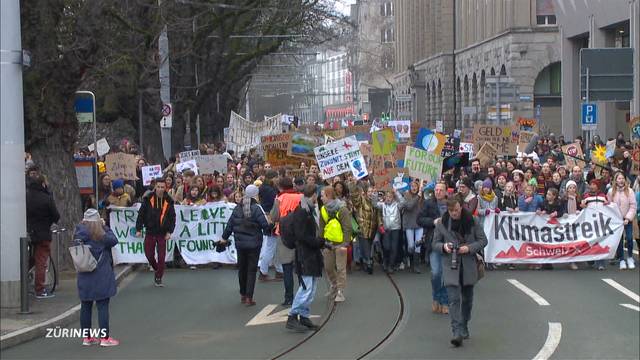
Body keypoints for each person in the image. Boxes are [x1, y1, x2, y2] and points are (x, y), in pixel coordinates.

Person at [432, 196, 488, 347]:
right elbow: (434, 244)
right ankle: (456, 331)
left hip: (468, 264)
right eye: (451, 211)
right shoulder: (442, 223)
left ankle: (464, 324)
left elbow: (483, 240)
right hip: (450, 264)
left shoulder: (473, 221)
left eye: (456, 210)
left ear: (461, 207)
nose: (454, 213)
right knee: (453, 299)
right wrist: (444, 247)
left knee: (467, 299)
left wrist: (469, 248)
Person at [75, 209, 119, 347]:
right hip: (101, 273)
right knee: (102, 305)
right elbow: (114, 240)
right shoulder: (102, 235)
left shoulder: (78, 233)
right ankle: (104, 338)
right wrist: (104, 226)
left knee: (86, 305)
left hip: (84, 272)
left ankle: (87, 337)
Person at [221, 184, 272, 306]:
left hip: (240, 243)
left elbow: (230, 225)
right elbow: (265, 225)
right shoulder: (256, 208)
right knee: (251, 270)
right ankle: (249, 296)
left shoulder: (237, 208)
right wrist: (271, 225)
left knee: (242, 269)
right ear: (255, 195)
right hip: (254, 243)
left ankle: (243, 294)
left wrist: (224, 238)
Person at [285, 185, 324, 332]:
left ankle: (304, 315)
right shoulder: (302, 211)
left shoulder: (308, 209)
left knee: (312, 287)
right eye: (317, 195)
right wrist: (318, 242)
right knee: (306, 287)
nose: (318, 198)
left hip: (311, 252)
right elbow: (301, 235)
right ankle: (292, 316)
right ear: (313, 195)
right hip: (305, 253)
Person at [135, 178, 176, 287]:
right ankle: (156, 268)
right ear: (155, 187)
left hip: (162, 233)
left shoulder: (169, 200)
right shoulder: (148, 199)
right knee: (149, 255)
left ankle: (158, 277)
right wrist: (138, 229)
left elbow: (172, 218)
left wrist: (169, 232)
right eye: (158, 187)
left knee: (162, 256)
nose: (160, 189)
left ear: (165, 188)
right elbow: (141, 215)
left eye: (163, 187)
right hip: (150, 231)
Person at [417, 182, 450, 314]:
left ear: (446, 192)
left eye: (441, 190)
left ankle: (445, 301)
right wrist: (433, 222)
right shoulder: (428, 203)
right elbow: (419, 220)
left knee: (446, 275)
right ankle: (436, 297)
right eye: (436, 190)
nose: (438, 192)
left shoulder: (451, 204)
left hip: (449, 243)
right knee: (436, 273)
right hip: (434, 243)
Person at [26, 175, 60, 299]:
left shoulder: (27, 196)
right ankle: (39, 289)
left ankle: (22, 280)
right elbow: (56, 215)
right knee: (41, 261)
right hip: (43, 232)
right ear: (43, 184)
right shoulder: (46, 198)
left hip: (29, 232)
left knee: (29, 259)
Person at [271, 177, 302, 305]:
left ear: (281, 187)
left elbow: (274, 216)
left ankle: (289, 298)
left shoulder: (279, 198)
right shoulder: (301, 197)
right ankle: (303, 295)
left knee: (287, 267)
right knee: (300, 267)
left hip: (283, 233)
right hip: (300, 233)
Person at [320, 186, 352, 302]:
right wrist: (321, 242)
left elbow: (347, 227)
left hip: (340, 243)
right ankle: (334, 285)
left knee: (340, 268)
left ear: (328, 196)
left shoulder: (342, 209)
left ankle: (340, 291)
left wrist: (345, 243)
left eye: (322, 195)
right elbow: (321, 227)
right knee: (328, 267)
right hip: (328, 243)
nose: (321, 198)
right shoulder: (323, 209)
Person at [607, 172, 637, 270]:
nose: (621, 180)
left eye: (622, 178)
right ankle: (621, 260)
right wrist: (614, 218)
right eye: (619, 179)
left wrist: (628, 218)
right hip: (617, 221)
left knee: (629, 238)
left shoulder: (630, 191)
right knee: (619, 241)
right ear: (616, 180)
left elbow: (633, 206)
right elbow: (609, 205)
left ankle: (630, 257)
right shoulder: (611, 191)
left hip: (627, 219)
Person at [258, 170, 282, 281]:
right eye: (276, 177)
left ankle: (278, 270)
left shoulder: (265, 188)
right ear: (272, 178)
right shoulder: (270, 190)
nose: (278, 179)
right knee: (271, 247)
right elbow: (274, 206)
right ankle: (263, 271)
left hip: (269, 218)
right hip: (272, 219)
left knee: (274, 246)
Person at [351, 184, 379, 275]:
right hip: (363, 227)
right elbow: (355, 198)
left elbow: (379, 214)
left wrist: (381, 224)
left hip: (373, 228)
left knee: (368, 245)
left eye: (372, 191)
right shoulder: (362, 200)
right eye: (369, 191)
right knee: (365, 245)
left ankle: (366, 261)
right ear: (366, 192)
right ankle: (369, 262)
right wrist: (354, 186)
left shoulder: (376, 202)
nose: (371, 193)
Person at [581, 179, 609, 270]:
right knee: (591, 241)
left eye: (594, 184)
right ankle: (590, 259)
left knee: (600, 242)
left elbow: (608, 206)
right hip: (590, 224)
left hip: (600, 223)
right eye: (590, 184)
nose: (592, 186)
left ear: (598, 186)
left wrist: (608, 204)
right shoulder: (586, 196)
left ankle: (600, 263)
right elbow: (581, 207)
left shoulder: (603, 196)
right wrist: (582, 206)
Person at [400, 181, 423, 273]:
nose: (414, 188)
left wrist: (422, 194)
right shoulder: (406, 195)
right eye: (412, 186)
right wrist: (418, 196)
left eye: (415, 186)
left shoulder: (422, 196)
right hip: (409, 223)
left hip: (419, 223)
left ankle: (416, 266)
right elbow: (409, 206)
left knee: (418, 245)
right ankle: (409, 258)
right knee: (411, 246)